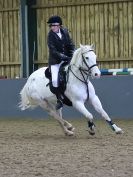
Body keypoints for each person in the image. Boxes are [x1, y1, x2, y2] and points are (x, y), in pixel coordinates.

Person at [47, 15, 75, 110]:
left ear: (59, 25)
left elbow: (70, 44)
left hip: (68, 58)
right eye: (51, 26)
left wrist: (73, 53)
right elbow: (53, 50)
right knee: (55, 80)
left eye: (54, 25)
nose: (53, 27)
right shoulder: (50, 36)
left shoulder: (65, 32)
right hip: (56, 61)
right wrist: (63, 57)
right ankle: (59, 99)